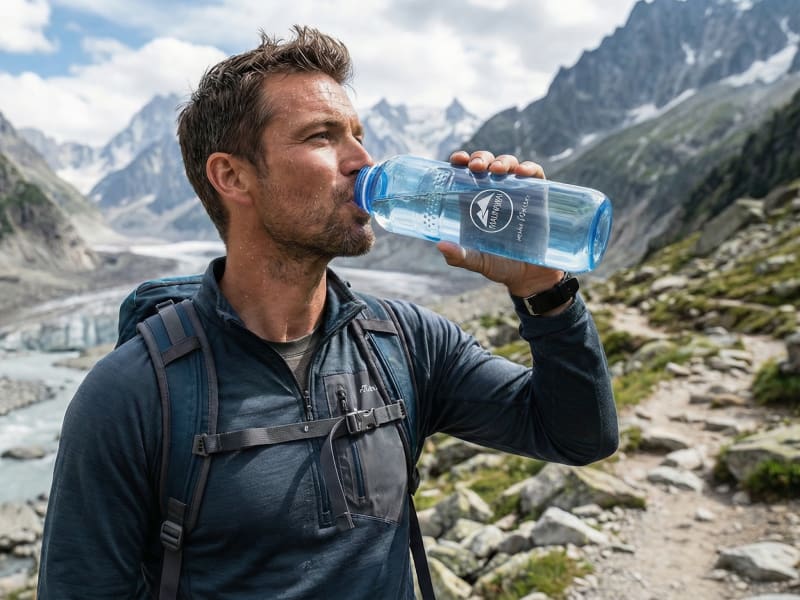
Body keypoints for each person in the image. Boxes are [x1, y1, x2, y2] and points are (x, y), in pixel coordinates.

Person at [37, 25, 618, 599]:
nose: (363, 161)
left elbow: (577, 436)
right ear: (231, 176)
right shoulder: (133, 393)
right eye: (323, 137)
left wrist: (543, 289)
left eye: (359, 136)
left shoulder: (406, 344)